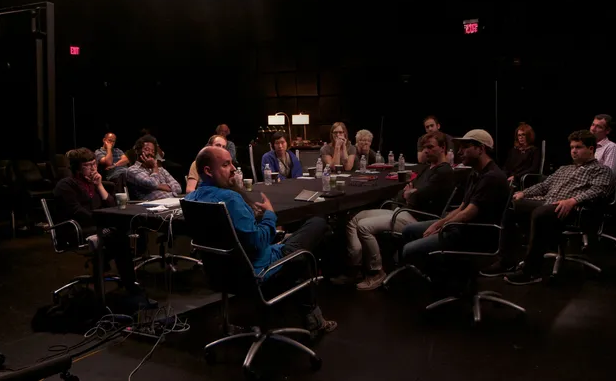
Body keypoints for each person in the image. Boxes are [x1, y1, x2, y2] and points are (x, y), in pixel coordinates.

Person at [185, 146, 336, 336]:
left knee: (299, 251)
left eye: (232, 162)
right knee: (318, 225)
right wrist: (270, 215)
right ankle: (315, 318)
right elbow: (259, 242)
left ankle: (303, 310)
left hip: (220, 276)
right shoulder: (230, 199)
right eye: (226, 164)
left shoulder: (191, 199)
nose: (233, 168)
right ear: (208, 171)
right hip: (259, 270)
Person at [489, 130, 614, 285]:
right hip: (546, 202)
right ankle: (506, 261)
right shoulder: (564, 168)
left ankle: (531, 271)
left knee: (541, 213)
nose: (574, 151)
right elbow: (544, 186)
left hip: (573, 211)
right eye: (572, 147)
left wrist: (573, 200)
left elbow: (599, 190)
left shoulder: (601, 170)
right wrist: (523, 193)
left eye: (579, 147)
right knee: (511, 205)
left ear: (591, 149)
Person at [334, 131, 455, 290]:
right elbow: (407, 191)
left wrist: (411, 194)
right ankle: (355, 268)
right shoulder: (428, 169)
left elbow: (418, 196)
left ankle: (376, 272)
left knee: (363, 226)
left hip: (418, 218)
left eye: (431, 147)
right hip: (403, 210)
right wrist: (409, 194)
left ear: (442, 148)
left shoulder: (443, 171)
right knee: (355, 218)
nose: (426, 151)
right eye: (425, 147)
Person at [54, 148, 154, 306]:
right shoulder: (66, 185)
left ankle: (125, 281)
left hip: (97, 227)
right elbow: (78, 213)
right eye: (88, 165)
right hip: (75, 230)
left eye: (94, 164)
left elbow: (113, 206)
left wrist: (99, 186)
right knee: (118, 238)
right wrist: (105, 221)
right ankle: (132, 289)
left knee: (129, 230)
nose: (93, 168)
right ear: (77, 168)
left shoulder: (93, 184)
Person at [401, 130, 510, 263]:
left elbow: (467, 214)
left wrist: (442, 226)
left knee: (408, 249)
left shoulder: (492, 177)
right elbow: (462, 207)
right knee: (409, 230)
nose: (459, 152)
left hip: (474, 234)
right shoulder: (475, 173)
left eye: (465, 147)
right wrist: (438, 224)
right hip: (462, 227)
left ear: (480, 149)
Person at [502, 123, 542, 187]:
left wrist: (516, 177)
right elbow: (506, 167)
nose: (521, 137)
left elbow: (533, 169)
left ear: (529, 136)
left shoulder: (534, 151)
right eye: (519, 135)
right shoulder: (513, 150)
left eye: (523, 135)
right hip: (511, 178)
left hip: (524, 179)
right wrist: (503, 176)